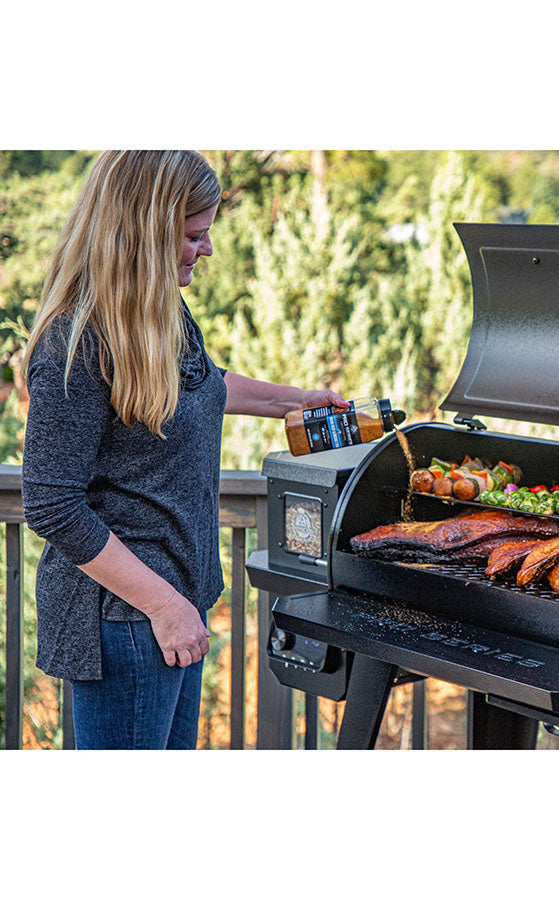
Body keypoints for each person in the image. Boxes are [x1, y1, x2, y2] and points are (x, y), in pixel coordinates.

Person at [21, 150, 347, 750]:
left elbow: (204, 383)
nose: (207, 249)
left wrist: (292, 401)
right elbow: (52, 506)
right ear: (145, 233)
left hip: (173, 607)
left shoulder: (158, 314)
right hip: (125, 617)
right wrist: (165, 606)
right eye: (194, 235)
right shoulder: (74, 344)